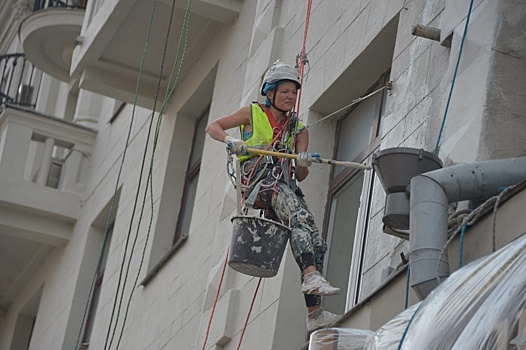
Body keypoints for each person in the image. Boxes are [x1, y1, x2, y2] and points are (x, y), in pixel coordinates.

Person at [205, 61, 340, 332]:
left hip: (283, 184)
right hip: (260, 182)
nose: (290, 96)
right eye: (285, 91)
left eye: (294, 92)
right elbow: (213, 126)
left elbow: (300, 175)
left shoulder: (298, 129)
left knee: (317, 242)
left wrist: (304, 162)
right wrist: (231, 140)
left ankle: (314, 313)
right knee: (299, 217)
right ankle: (311, 275)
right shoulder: (252, 113)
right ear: (271, 92)